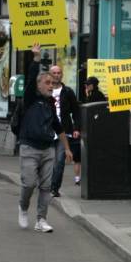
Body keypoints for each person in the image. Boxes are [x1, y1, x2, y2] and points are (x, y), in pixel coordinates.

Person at [18, 43, 73, 233]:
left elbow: (59, 127)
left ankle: (41, 219)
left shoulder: (50, 104)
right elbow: (31, 77)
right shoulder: (30, 99)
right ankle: (23, 207)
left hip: (47, 148)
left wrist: (66, 148)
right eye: (47, 83)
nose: (51, 86)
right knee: (29, 183)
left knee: (46, 186)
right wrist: (36, 58)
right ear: (39, 85)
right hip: (29, 147)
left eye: (52, 83)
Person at [47, 64, 82, 194]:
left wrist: (77, 128)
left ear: (62, 75)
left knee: (60, 161)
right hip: (47, 132)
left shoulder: (67, 92)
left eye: (59, 73)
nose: (57, 75)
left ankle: (54, 188)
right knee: (47, 161)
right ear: (50, 75)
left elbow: (76, 111)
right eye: (54, 73)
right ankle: (45, 184)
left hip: (63, 132)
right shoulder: (45, 91)